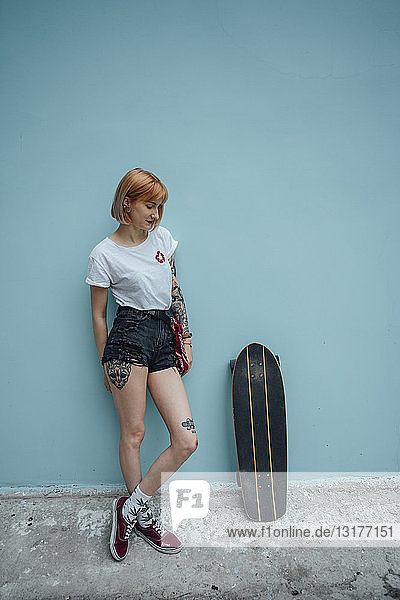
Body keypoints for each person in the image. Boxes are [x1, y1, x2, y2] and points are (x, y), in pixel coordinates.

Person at [85, 168, 197, 560]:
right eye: (150, 206)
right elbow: (99, 315)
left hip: (164, 337)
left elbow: (174, 288)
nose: (156, 215)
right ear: (127, 204)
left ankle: (129, 508)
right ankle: (143, 516)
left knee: (187, 440)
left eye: (160, 206)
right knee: (133, 434)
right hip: (127, 338)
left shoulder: (163, 239)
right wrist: (105, 364)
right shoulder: (104, 254)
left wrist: (184, 335)